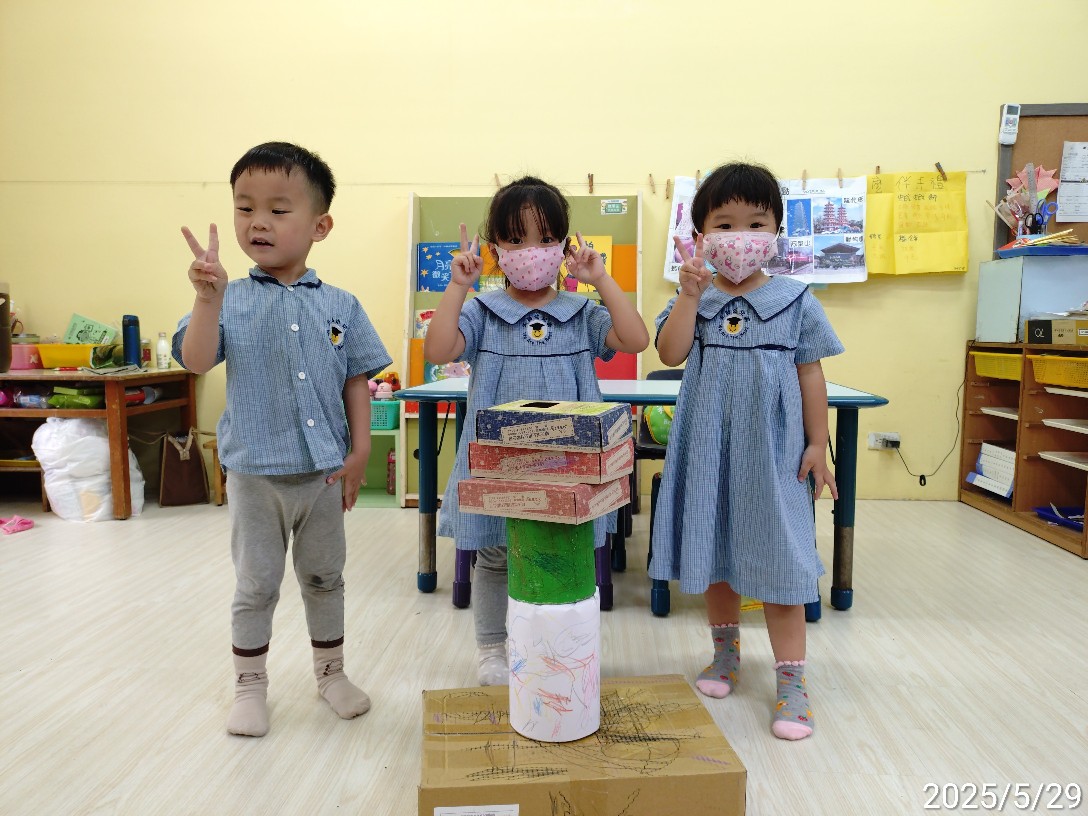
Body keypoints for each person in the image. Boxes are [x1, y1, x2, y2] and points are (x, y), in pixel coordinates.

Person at [174, 142, 392, 737]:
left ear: (320, 226)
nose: (258, 222)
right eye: (245, 208)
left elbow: (356, 379)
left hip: (322, 474)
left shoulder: (341, 304)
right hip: (254, 474)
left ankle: (331, 675)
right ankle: (250, 687)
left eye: (277, 209)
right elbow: (196, 361)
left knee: (325, 578)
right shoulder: (228, 299)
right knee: (256, 584)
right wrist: (206, 299)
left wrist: (360, 452)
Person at [424, 176, 649, 685]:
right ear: (495, 249)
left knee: (565, 554)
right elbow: (438, 350)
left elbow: (635, 339)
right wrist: (457, 286)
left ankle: (556, 648)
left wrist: (600, 279)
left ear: (565, 246)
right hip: (498, 462)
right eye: (515, 239)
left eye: (545, 239)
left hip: (569, 464)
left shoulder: (581, 312)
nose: (531, 252)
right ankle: (492, 650)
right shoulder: (482, 311)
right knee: (494, 556)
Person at [652, 162, 844, 741]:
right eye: (725, 223)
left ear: (776, 231)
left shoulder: (796, 300)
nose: (741, 236)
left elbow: (810, 374)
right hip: (708, 453)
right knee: (716, 554)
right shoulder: (694, 295)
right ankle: (725, 655)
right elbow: (669, 353)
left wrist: (818, 444)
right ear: (701, 234)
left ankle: (792, 681)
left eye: (756, 223)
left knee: (783, 561)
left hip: (775, 454)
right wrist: (689, 296)